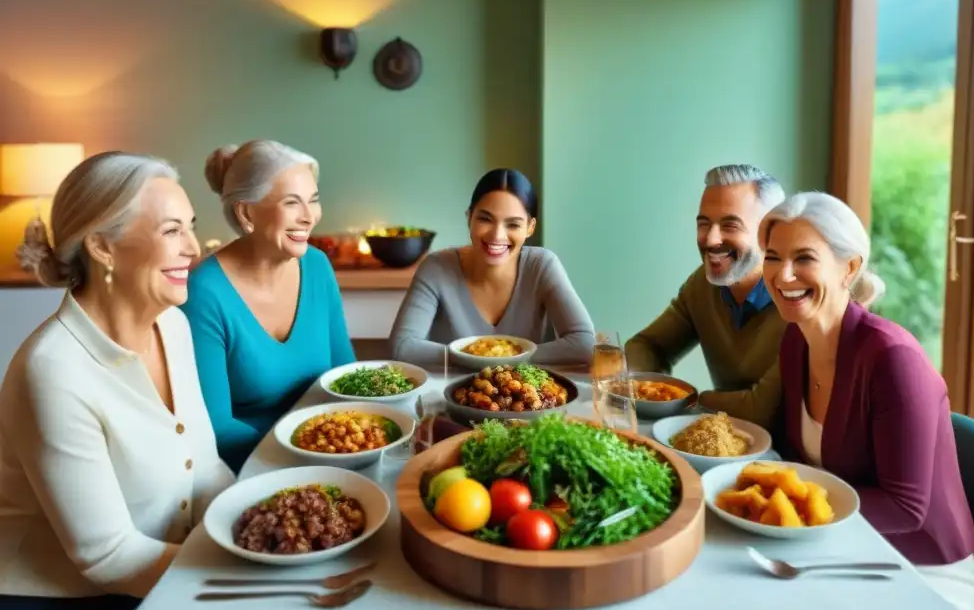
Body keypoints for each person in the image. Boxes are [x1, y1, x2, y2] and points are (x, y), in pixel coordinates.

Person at [0, 152, 235, 610]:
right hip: (58, 608)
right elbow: (106, 557)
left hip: (161, 575)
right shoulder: (52, 370)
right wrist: (244, 573)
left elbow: (208, 469)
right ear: (103, 246)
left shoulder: (172, 324)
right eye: (172, 231)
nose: (193, 247)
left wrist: (258, 524)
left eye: (190, 227)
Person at [761, 191, 974, 610]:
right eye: (773, 257)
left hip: (924, 569)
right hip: (847, 545)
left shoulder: (892, 359)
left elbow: (906, 508)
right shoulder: (795, 341)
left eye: (804, 258)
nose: (783, 274)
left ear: (850, 268)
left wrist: (792, 504)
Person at [181, 141, 355, 473]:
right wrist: (312, 449)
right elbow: (216, 427)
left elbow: (345, 375)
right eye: (292, 203)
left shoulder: (317, 266)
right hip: (249, 468)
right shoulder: (203, 293)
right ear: (246, 213)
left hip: (330, 453)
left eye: (313, 201)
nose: (309, 217)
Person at [624, 164, 787, 429]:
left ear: (771, 233)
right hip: (722, 444)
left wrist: (687, 400)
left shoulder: (797, 301)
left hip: (788, 462)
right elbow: (646, 345)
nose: (711, 240)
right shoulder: (703, 284)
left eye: (730, 225)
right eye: (704, 224)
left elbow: (761, 410)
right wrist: (651, 391)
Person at [390, 168, 595, 367]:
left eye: (513, 224)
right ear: (469, 217)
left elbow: (584, 344)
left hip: (530, 398)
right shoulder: (436, 268)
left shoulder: (542, 265)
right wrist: (477, 356)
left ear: (530, 227)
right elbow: (402, 346)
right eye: (485, 219)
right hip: (447, 396)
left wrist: (502, 357)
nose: (497, 235)